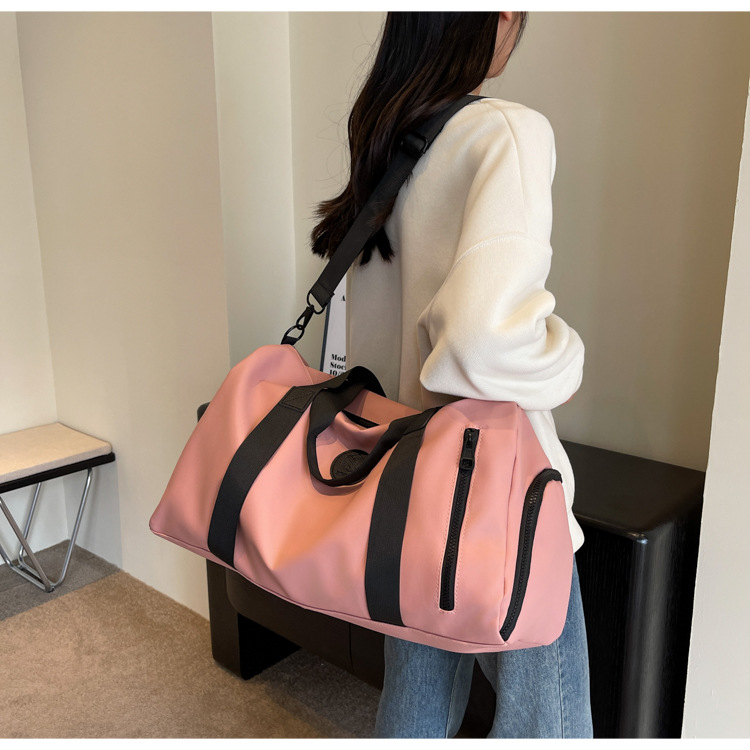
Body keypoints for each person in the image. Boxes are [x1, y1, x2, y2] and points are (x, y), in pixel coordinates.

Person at [310, 12, 593, 739]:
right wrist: (567, 358)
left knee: (416, 704)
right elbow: (479, 343)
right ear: (498, 17)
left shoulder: (389, 143)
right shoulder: (506, 133)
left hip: (403, 479)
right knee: (550, 726)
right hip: (500, 495)